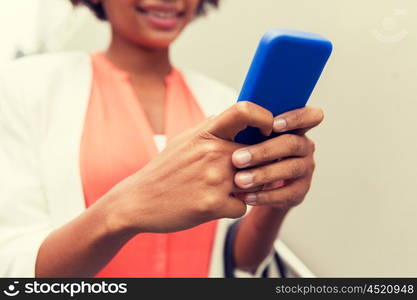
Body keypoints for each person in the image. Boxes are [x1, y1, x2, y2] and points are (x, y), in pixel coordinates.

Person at [0, 0, 323, 278]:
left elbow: (235, 263)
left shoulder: (225, 104)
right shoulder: (26, 88)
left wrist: (275, 204)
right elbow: (16, 267)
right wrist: (121, 211)